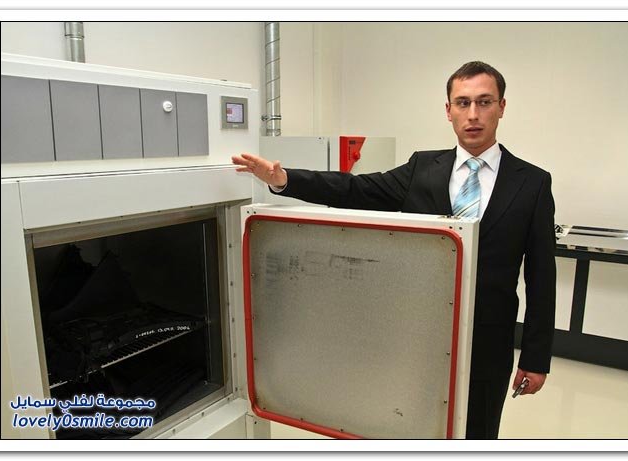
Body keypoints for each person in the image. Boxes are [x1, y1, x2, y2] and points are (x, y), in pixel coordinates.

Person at [232, 61, 556, 440]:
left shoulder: (531, 183)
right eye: (462, 102)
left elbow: (541, 277)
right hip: (416, 335)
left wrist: (535, 358)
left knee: (478, 431)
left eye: (484, 102)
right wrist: (284, 180)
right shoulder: (423, 168)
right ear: (448, 110)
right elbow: (356, 189)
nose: (473, 114)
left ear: (501, 107)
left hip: (487, 341)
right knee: (410, 426)